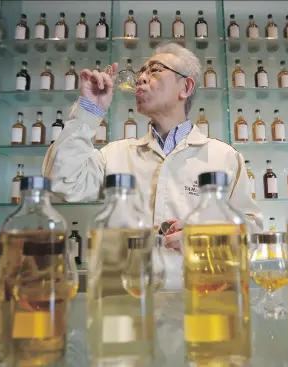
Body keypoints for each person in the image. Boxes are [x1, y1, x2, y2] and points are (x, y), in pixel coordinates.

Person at [42, 43, 263, 288]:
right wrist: (89, 110)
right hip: (126, 303)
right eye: (141, 72)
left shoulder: (224, 158)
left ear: (185, 87)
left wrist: (205, 238)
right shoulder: (115, 155)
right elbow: (61, 182)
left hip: (199, 304)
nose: (141, 79)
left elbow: (252, 235)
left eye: (155, 70)